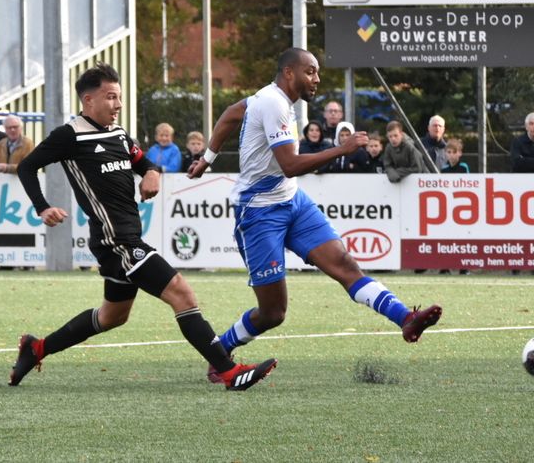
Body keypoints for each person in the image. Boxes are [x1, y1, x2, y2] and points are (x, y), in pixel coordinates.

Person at [12, 63, 274, 390]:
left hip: (126, 237)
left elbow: (145, 163)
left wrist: (152, 173)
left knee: (112, 316)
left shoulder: (120, 135)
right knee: (182, 292)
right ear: (88, 100)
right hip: (116, 241)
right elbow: (27, 167)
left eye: (120, 97)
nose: (118, 104)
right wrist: (43, 207)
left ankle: (36, 348)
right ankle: (229, 372)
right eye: (111, 97)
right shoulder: (70, 135)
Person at [186, 49, 441, 370]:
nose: (317, 79)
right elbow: (290, 164)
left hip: (292, 202)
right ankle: (220, 351)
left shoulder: (269, 100)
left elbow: (229, 115)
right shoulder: (274, 103)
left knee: (346, 266)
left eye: (317, 72)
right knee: (273, 313)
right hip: (259, 212)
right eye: (310, 72)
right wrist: (342, 149)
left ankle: (406, 318)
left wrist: (207, 159)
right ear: (289, 73)